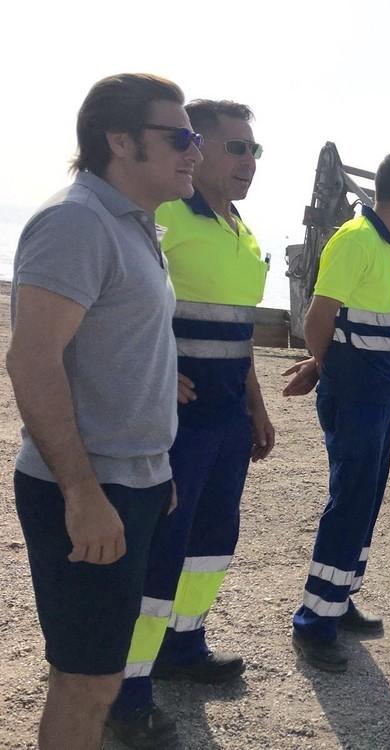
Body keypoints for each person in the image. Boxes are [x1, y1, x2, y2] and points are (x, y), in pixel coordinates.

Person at [7, 74, 200, 750]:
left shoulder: (133, 223)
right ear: (119, 140)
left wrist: (155, 467)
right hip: (88, 489)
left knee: (104, 674)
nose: (194, 152)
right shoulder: (77, 222)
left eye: (196, 137)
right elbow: (32, 361)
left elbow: (123, 358)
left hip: (133, 481)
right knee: (84, 681)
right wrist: (84, 494)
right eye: (178, 137)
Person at [109, 100, 275, 746]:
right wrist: (154, 372)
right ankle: (127, 691)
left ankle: (185, 644)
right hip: (177, 422)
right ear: (197, 148)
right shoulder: (165, 218)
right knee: (161, 550)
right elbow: (122, 303)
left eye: (255, 151)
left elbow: (240, 331)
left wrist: (256, 404)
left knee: (211, 540)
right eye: (236, 148)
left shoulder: (244, 231)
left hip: (228, 417)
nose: (248, 163)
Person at [282, 151, 390, 671]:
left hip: (381, 384)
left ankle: (339, 598)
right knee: (350, 498)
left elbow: (352, 320)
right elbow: (317, 316)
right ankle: (314, 622)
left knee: (367, 496)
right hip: (357, 388)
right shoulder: (354, 239)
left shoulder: (389, 244)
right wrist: (327, 367)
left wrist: (331, 363)